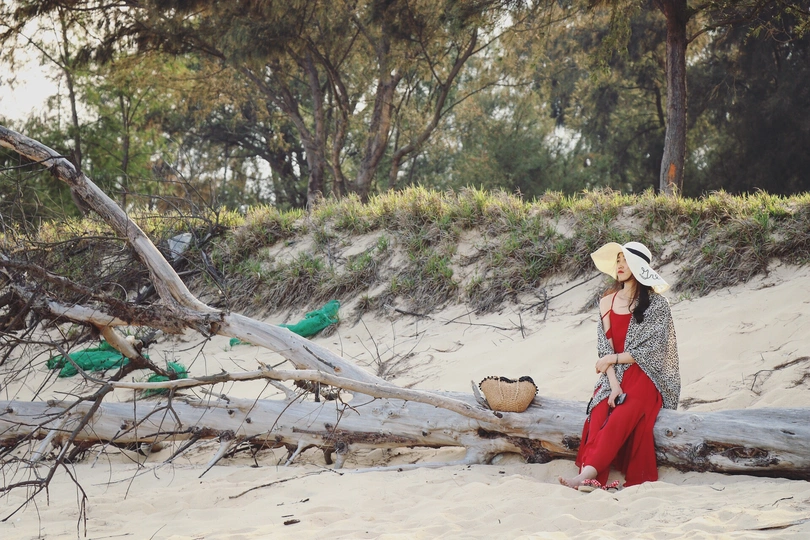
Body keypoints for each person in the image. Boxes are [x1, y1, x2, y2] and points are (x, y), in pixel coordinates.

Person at [559, 241, 680, 491]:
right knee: (599, 413)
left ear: (640, 268)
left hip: (645, 375)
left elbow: (651, 351)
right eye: (618, 260)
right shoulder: (607, 302)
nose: (620, 265)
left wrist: (611, 360)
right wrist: (613, 385)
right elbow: (605, 349)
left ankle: (585, 476)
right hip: (613, 376)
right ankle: (592, 478)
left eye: (626, 261)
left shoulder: (658, 305)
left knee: (622, 414)